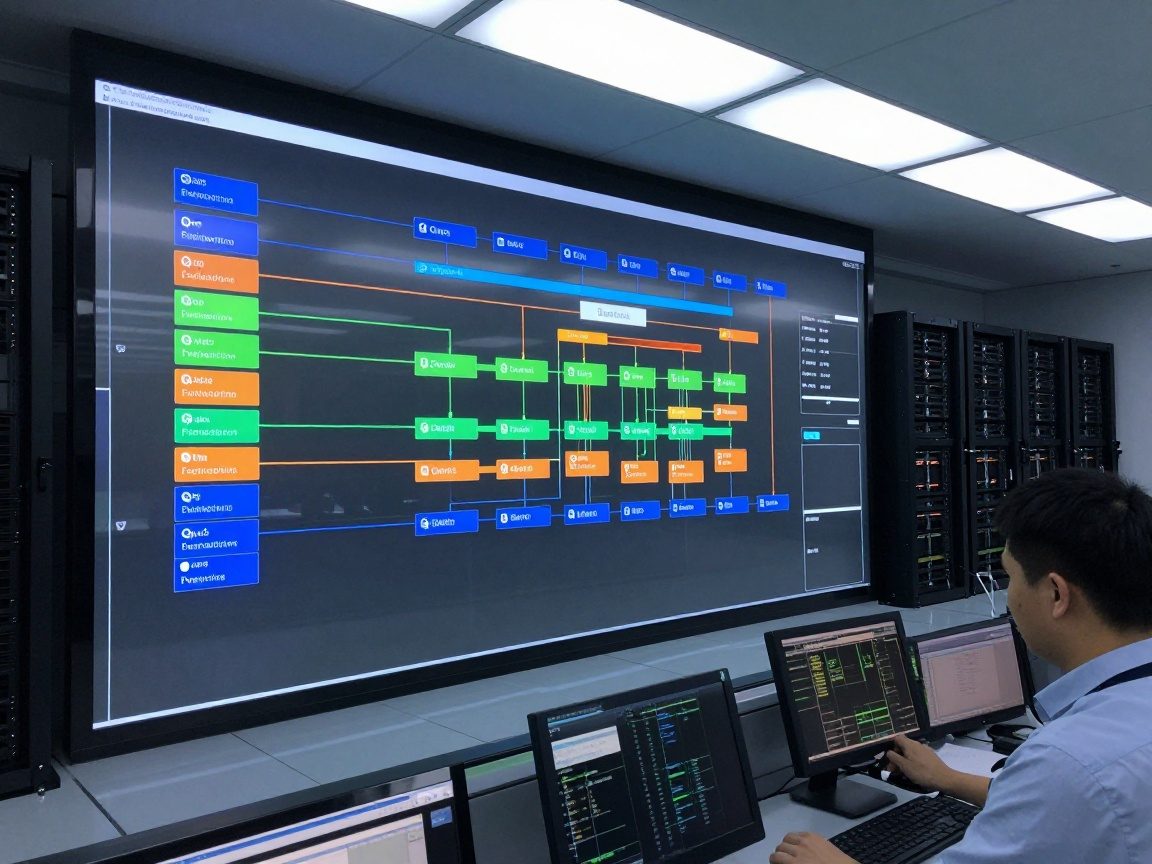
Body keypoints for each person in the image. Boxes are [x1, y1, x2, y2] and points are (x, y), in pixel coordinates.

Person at [769, 468, 1152, 864]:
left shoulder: (1067, 760)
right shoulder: (1098, 744)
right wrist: (947, 779)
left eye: (1009, 577)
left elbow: (1068, 788)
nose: (1009, 596)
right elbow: (1064, 806)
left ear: (1056, 594)